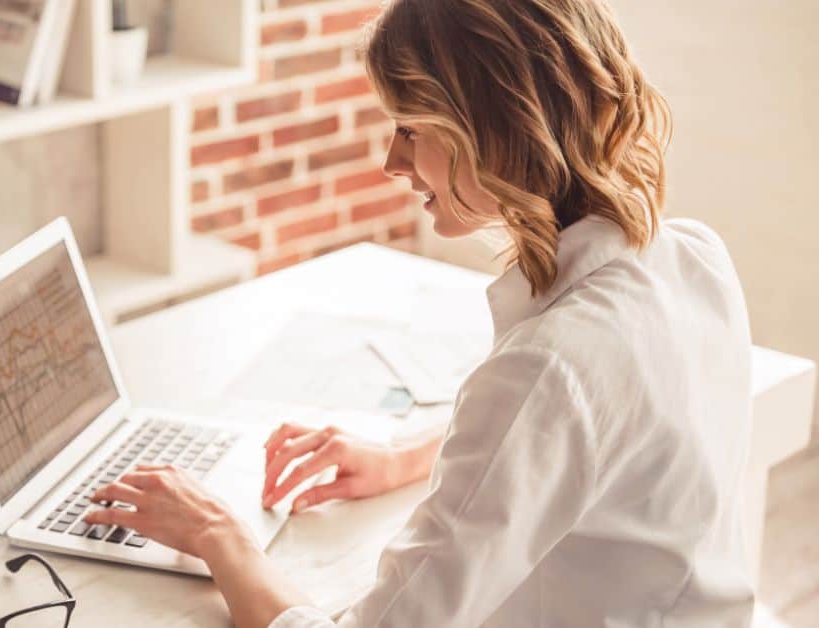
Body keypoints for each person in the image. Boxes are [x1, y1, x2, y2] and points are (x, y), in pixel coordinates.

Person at [84, 0, 755, 625]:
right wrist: (401, 458)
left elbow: (550, 402)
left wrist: (219, 534)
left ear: (495, 126)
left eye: (409, 129)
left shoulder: (548, 365)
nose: (391, 161)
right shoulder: (693, 255)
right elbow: (583, 434)